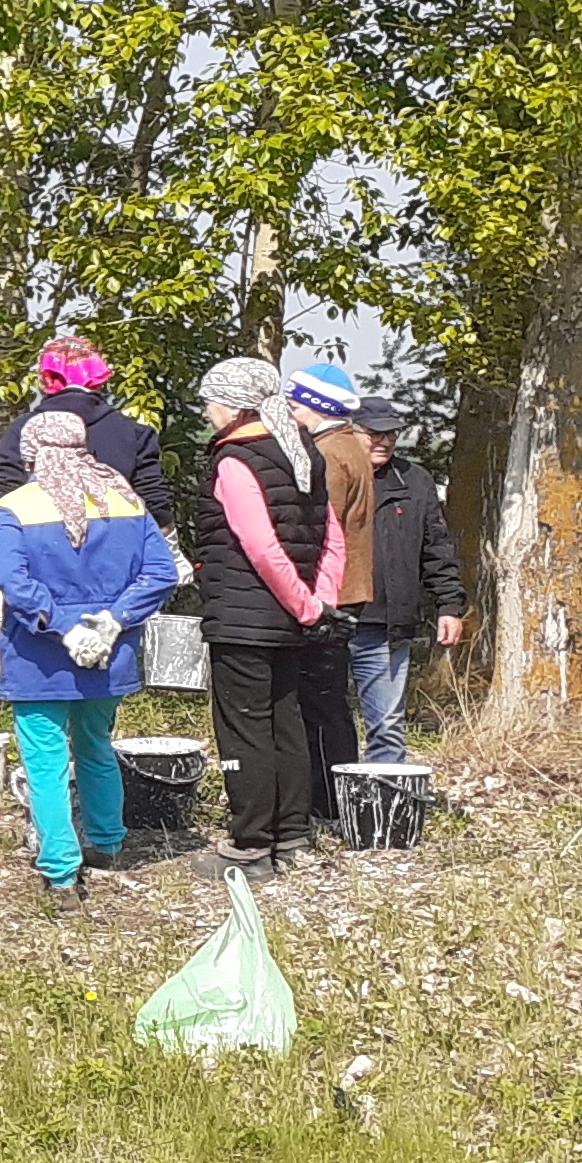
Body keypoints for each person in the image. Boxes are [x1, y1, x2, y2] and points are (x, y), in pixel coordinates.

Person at [0, 410, 181, 902]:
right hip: (110, 652)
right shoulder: (126, 501)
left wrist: (61, 626)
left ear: (33, 452)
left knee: (46, 761)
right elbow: (161, 573)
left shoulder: (15, 507)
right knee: (95, 743)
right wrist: (114, 620)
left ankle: (60, 871)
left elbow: (13, 581)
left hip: (38, 654)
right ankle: (109, 841)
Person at [183, 355, 344, 872]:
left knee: (244, 729)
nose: (207, 411)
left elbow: (259, 544)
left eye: (211, 401)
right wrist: (321, 602)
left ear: (233, 406)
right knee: (286, 723)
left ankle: (250, 844)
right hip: (295, 618)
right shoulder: (304, 453)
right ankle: (293, 837)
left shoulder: (236, 460)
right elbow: (332, 536)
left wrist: (302, 602)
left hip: (244, 613)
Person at [346, 397, 464, 762]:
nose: (384, 441)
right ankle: (327, 806)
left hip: (386, 624)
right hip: (329, 621)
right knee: (323, 719)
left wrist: (450, 605)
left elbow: (437, 548)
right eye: (374, 433)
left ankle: (384, 805)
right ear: (351, 432)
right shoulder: (327, 473)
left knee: (386, 726)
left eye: (391, 433)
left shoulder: (414, 481)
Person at [287, 357, 379, 793]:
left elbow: (324, 525)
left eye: (296, 404)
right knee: (331, 699)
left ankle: (326, 794)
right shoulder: (352, 448)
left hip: (332, 591)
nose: (290, 411)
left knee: (321, 701)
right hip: (351, 587)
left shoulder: (327, 453)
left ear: (316, 406)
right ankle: (335, 788)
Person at [0, 335, 177, 531]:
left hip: (40, 547)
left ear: (44, 380)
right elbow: (157, 510)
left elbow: (4, 493)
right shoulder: (135, 433)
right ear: (99, 377)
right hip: (117, 548)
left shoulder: (23, 429)